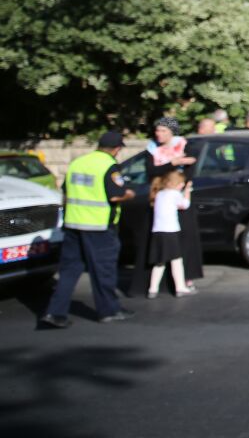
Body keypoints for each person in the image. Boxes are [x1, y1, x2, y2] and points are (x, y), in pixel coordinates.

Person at [40, 132, 137, 327]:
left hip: (73, 224)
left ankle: (55, 313)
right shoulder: (109, 165)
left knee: (68, 271)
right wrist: (129, 194)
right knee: (103, 270)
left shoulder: (78, 162)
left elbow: (66, 190)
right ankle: (109, 310)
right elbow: (115, 196)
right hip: (98, 226)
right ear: (117, 149)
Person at [145, 117, 202, 290]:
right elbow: (151, 170)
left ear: (172, 132)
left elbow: (191, 164)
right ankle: (159, 283)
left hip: (177, 196)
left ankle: (185, 278)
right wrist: (174, 163)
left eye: (163, 131)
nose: (159, 134)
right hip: (160, 197)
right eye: (157, 130)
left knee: (183, 239)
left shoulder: (184, 145)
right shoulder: (152, 149)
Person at [146, 169, 196, 299]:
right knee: (176, 260)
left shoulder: (159, 194)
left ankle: (153, 288)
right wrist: (187, 192)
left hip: (157, 231)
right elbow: (185, 205)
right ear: (177, 183)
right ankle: (180, 287)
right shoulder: (174, 194)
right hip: (170, 231)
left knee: (160, 261)